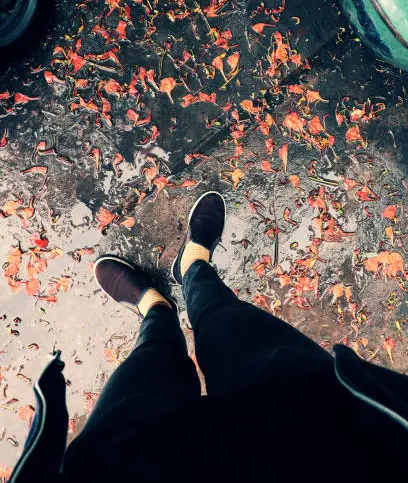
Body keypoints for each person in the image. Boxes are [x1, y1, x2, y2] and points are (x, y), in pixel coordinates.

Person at [10, 192, 408, 483]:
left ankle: (156, 309)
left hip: (126, 461)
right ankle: (193, 267)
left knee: (154, 358)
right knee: (226, 322)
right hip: (316, 425)